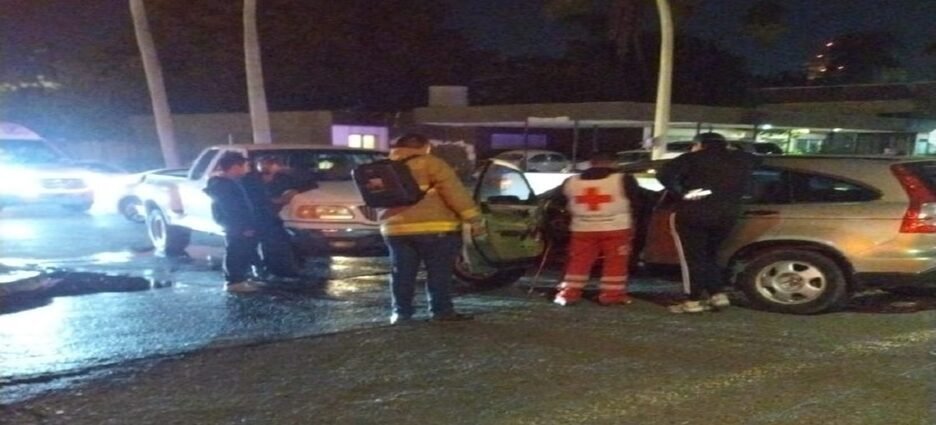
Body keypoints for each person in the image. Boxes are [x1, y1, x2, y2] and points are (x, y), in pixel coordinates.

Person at [379, 133, 483, 324]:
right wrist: (474, 219)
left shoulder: (382, 167)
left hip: (396, 229)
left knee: (401, 273)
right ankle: (441, 312)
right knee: (439, 273)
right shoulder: (433, 164)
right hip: (436, 228)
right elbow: (455, 194)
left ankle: (401, 314)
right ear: (425, 146)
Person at [657, 132, 757, 313]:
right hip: (728, 214)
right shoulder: (742, 159)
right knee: (711, 254)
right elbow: (756, 159)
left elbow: (664, 174)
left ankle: (692, 300)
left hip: (694, 212)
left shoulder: (692, 158)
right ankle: (717, 294)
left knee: (692, 258)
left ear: (699, 144)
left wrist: (682, 193)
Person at [553, 151, 641, 306]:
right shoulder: (623, 179)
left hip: (582, 229)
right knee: (616, 262)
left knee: (578, 262)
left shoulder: (571, 181)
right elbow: (638, 202)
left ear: (591, 163)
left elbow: (557, 200)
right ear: (613, 163)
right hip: (616, 228)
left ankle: (568, 294)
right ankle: (611, 295)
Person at [241, 156, 315, 279]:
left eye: (271, 164)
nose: (266, 167)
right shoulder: (250, 180)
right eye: (264, 164)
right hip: (257, 216)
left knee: (279, 242)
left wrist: (293, 192)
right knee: (253, 244)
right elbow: (253, 199)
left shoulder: (283, 178)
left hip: (272, 216)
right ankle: (259, 269)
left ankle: (279, 269)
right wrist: (276, 200)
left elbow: (309, 184)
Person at [204, 152, 263, 293]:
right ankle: (234, 282)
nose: (246, 169)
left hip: (236, 224)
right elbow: (232, 209)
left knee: (242, 250)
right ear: (235, 166)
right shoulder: (223, 186)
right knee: (236, 251)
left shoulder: (229, 183)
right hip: (236, 225)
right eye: (244, 166)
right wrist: (244, 226)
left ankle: (240, 279)